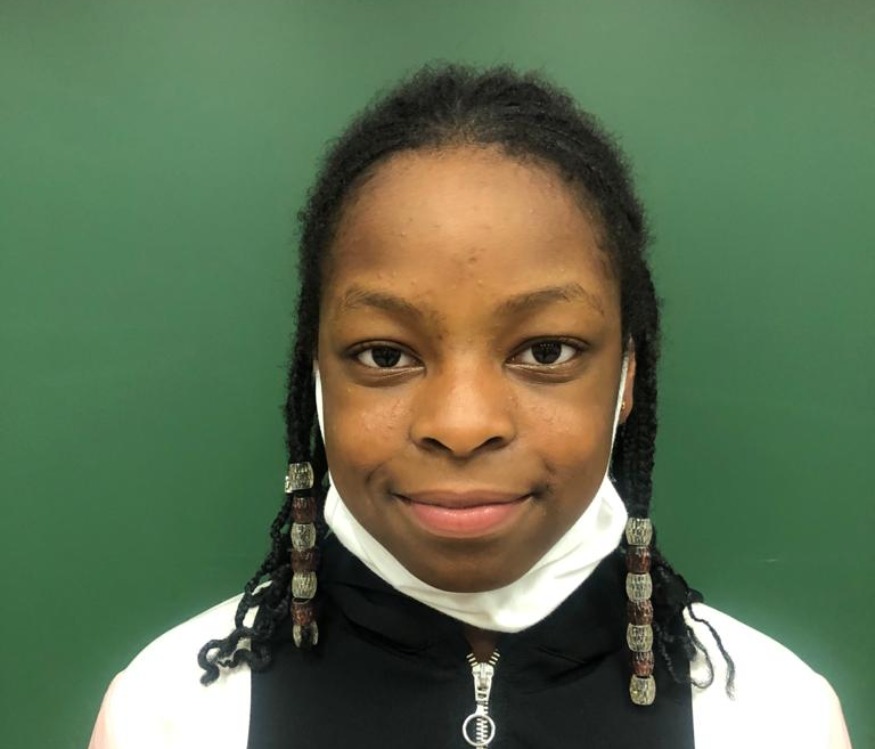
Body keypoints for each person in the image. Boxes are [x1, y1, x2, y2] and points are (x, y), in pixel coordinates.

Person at [88, 64, 852, 748]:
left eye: (545, 351)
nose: (460, 425)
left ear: (626, 376)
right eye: (384, 355)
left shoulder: (773, 719)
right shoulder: (172, 716)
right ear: (316, 377)